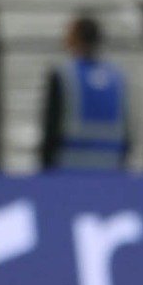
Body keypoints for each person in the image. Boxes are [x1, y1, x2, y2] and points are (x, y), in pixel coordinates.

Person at [40, 15, 129, 170]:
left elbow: (52, 125)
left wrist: (45, 167)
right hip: (110, 165)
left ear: (75, 38)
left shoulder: (63, 74)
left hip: (70, 165)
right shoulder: (117, 76)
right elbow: (127, 130)